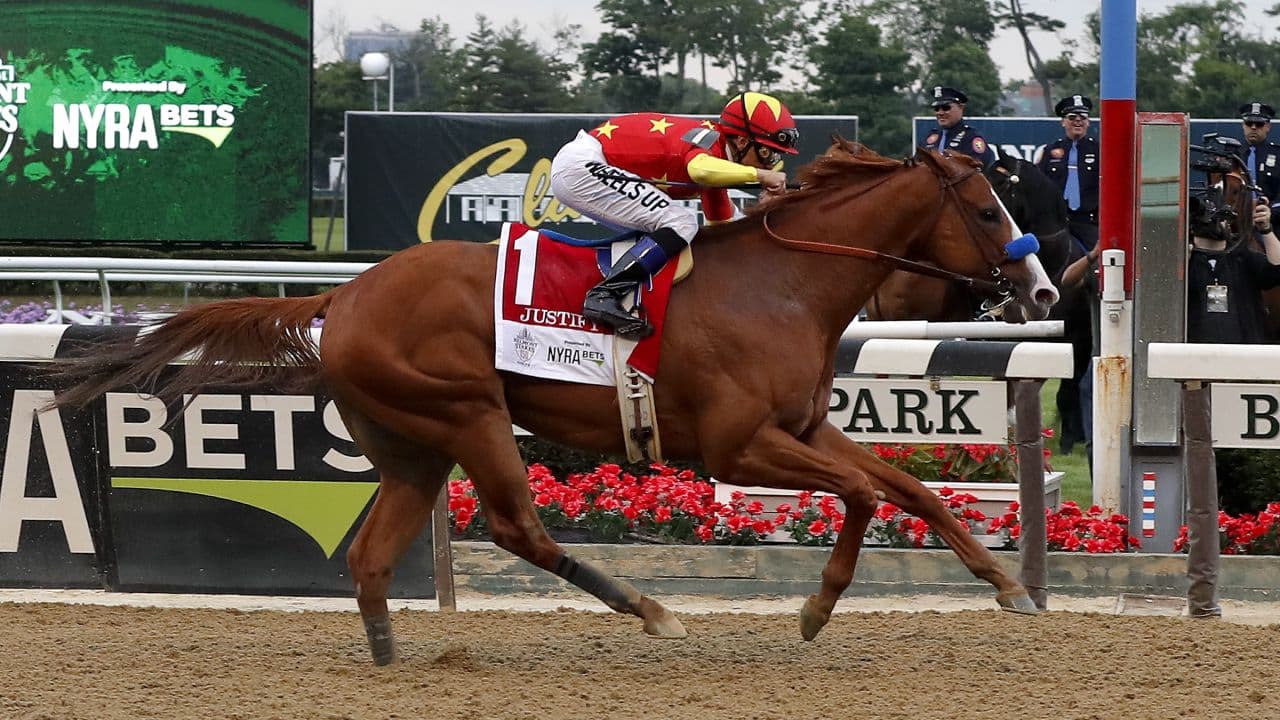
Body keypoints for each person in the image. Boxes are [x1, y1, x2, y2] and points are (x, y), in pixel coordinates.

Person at [549, 92, 795, 339]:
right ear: (741, 141)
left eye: (777, 157)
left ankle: (631, 297)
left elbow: (725, 228)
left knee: (675, 230)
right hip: (582, 165)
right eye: (768, 153)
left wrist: (767, 213)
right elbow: (699, 170)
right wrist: (760, 176)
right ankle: (603, 296)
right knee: (680, 222)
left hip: (586, 164)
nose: (771, 164)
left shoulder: (717, 160)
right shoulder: (709, 143)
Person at [1186, 187, 1280, 344]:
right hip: (1192, 352)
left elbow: (1276, 270)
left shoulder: (1243, 258)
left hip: (1242, 351)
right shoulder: (1184, 261)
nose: (1213, 222)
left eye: (1220, 217)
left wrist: (1266, 230)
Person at [1037, 95, 1101, 251]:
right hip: (1057, 222)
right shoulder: (1050, 151)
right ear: (1063, 122)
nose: (1078, 121)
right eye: (1072, 117)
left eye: (1082, 117)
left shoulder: (1099, 150)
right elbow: (1040, 186)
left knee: (1097, 259)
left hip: (1088, 222)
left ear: (1088, 122)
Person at [920, 86, 996, 169]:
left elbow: (976, 169)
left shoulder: (970, 137)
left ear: (961, 108)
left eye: (946, 108)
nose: (940, 113)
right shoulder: (930, 138)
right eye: (937, 109)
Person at [1234, 102, 1280, 226]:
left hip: (1271, 221)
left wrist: (1270, 211)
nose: (1253, 128)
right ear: (1243, 125)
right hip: (1236, 222)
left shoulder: (1277, 155)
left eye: (1259, 124)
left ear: (1268, 127)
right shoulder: (1233, 155)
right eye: (1249, 123)